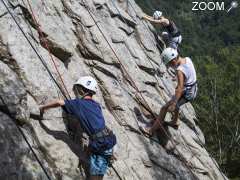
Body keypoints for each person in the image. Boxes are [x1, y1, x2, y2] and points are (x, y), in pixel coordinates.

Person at [39, 76, 117, 180]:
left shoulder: (77, 104)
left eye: (76, 89)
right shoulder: (96, 105)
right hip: (108, 141)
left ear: (81, 89)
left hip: (100, 145)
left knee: (94, 178)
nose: (75, 92)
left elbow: (59, 102)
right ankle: (108, 156)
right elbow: (96, 125)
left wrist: (43, 108)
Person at [141, 48, 197, 134]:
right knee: (176, 103)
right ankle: (175, 121)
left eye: (170, 64)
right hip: (193, 89)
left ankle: (151, 131)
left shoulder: (179, 71)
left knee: (164, 108)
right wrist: (180, 78)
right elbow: (188, 72)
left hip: (187, 93)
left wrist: (174, 104)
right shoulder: (187, 59)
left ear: (173, 60)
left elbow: (180, 88)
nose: (170, 66)